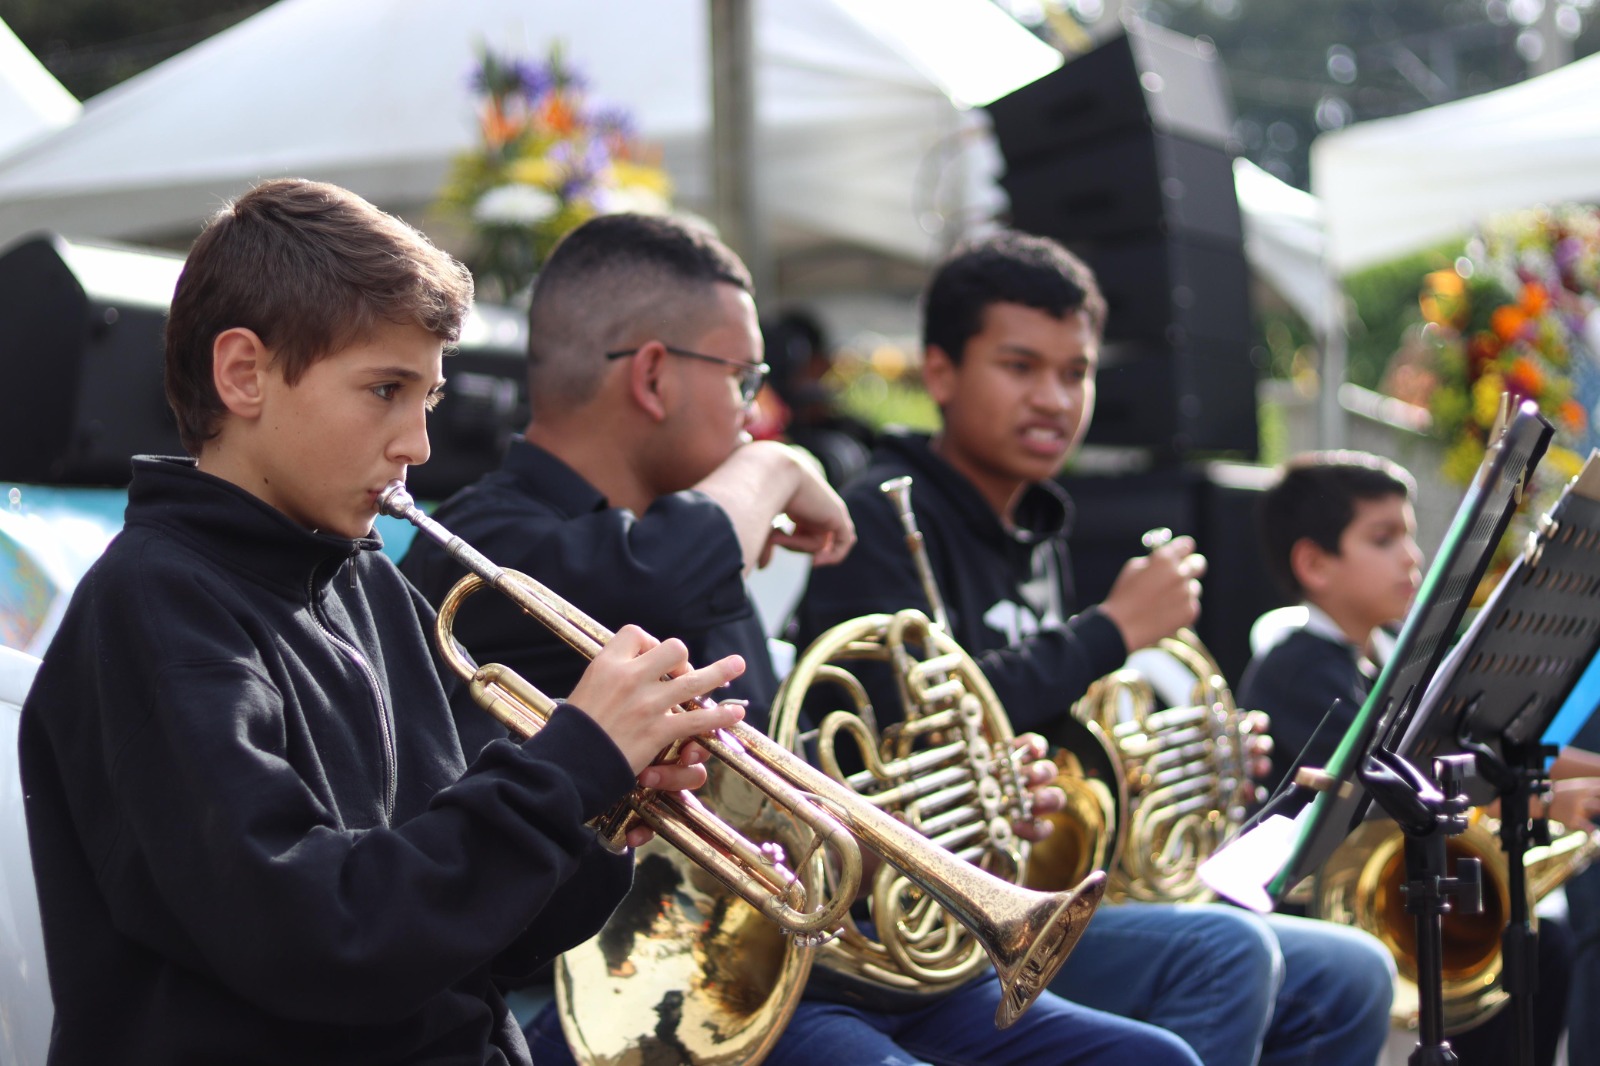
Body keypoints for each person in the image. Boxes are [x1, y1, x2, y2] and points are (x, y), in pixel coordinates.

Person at [401, 211, 1202, 1066]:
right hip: (589, 992)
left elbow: (785, 779)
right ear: (655, 377)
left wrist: (956, 793)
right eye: (746, 379)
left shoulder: (684, 549)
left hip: (784, 966)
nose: (763, 411)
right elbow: (657, 577)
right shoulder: (494, 537)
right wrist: (776, 467)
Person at [17, 178, 750, 1065]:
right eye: (384, 390)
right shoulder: (152, 607)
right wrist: (568, 766)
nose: (418, 445)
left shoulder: (367, 583)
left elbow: (474, 935)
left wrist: (602, 817)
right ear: (243, 373)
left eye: (428, 398)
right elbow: (323, 938)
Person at [793, 231, 1397, 1066]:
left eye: (1075, 372)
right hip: (918, 929)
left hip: (1031, 888)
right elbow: (896, 730)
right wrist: (1112, 631)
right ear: (939, 373)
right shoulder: (880, 521)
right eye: (1020, 366)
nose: (1054, 398)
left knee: (1355, 972)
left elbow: (1048, 733)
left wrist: (1164, 765)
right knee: (1232, 956)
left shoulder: (1035, 525)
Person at [1238, 450, 1577, 1066]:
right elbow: (1402, 783)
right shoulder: (1297, 666)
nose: (1412, 558)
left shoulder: (1387, 654)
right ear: (1314, 563)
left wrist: (1562, 778)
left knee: (1543, 944)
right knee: (1529, 949)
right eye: (1383, 538)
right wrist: (1548, 799)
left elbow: (1482, 749)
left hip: (1405, 883)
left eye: (1410, 537)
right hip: (1328, 913)